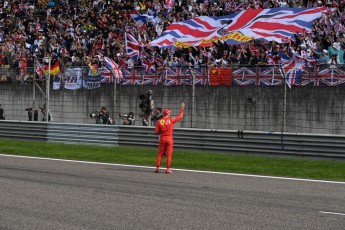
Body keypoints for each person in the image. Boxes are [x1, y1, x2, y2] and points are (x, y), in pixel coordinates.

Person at [154, 102, 185, 174]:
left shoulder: (159, 121)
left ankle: (157, 168)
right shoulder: (171, 120)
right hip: (169, 139)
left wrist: (161, 132)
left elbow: (156, 131)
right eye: (169, 113)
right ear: (168, 114)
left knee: (160, 154)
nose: (170, 113)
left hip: (162, 138)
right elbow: (180, 117)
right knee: (169, 154)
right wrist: (182, 109)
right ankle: (168, 169)